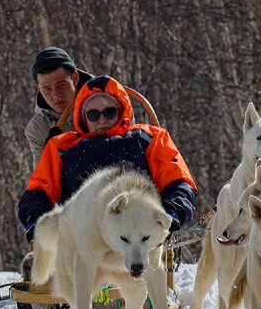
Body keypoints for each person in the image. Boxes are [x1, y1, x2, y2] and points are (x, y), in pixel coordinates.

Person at [18, 74, 198, 249]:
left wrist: (171, 212)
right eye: (93, 115)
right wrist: (36, 223)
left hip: (137, 237)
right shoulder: (61, 147)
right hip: (81, 240)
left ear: (121, 111)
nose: (102, 119)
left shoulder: (149, 139)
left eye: (109, 112)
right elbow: (38, 192)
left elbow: (178, 181)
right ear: (82, 117)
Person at [25, 46, 93, 164]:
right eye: (47, 89)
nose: (56, 95)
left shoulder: (108, 105)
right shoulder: (38, 128)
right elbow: (42, 179)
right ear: (38, 88)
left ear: (75, 78)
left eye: (61, 85)